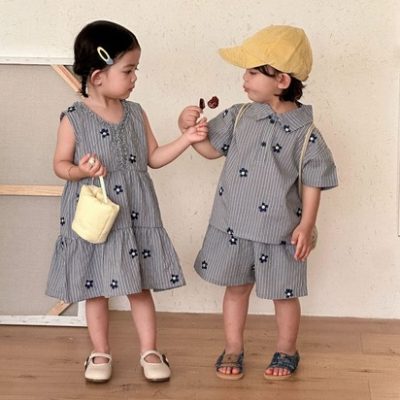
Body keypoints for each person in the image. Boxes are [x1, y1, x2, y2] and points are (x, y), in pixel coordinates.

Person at [46, 20, 207, 383]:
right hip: (96, 213)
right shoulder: (74, 119)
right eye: (128, 70)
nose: (135, 78)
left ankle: (149, 350)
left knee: (138, 284)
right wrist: (80, 170)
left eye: (136, 70)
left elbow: (154, 157)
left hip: (135, 212)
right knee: (95, 287)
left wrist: (187, 138)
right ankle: (100, 351)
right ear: (98, 75)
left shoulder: (135, 113)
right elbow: (59, 165)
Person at [179, 25, 338, 380]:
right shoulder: (238, 116)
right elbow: (209, 151)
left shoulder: (306, 134)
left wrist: (306, 224)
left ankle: (287, 349)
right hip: (234, 225)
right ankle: (233, 346)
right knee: (236, 289)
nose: (244, 79)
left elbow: (314, 182)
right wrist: (188, 130)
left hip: (279, 231)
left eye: (253, 72)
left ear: (281, 80)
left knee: (284, 294)